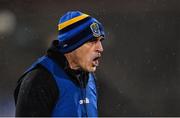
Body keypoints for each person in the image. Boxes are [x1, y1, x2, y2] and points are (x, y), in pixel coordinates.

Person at [14, 11, 105, 117]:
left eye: (100, 41)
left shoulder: (89, 78)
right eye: (92, 41)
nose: (100, 48)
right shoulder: (39, 80)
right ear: (73, 44)